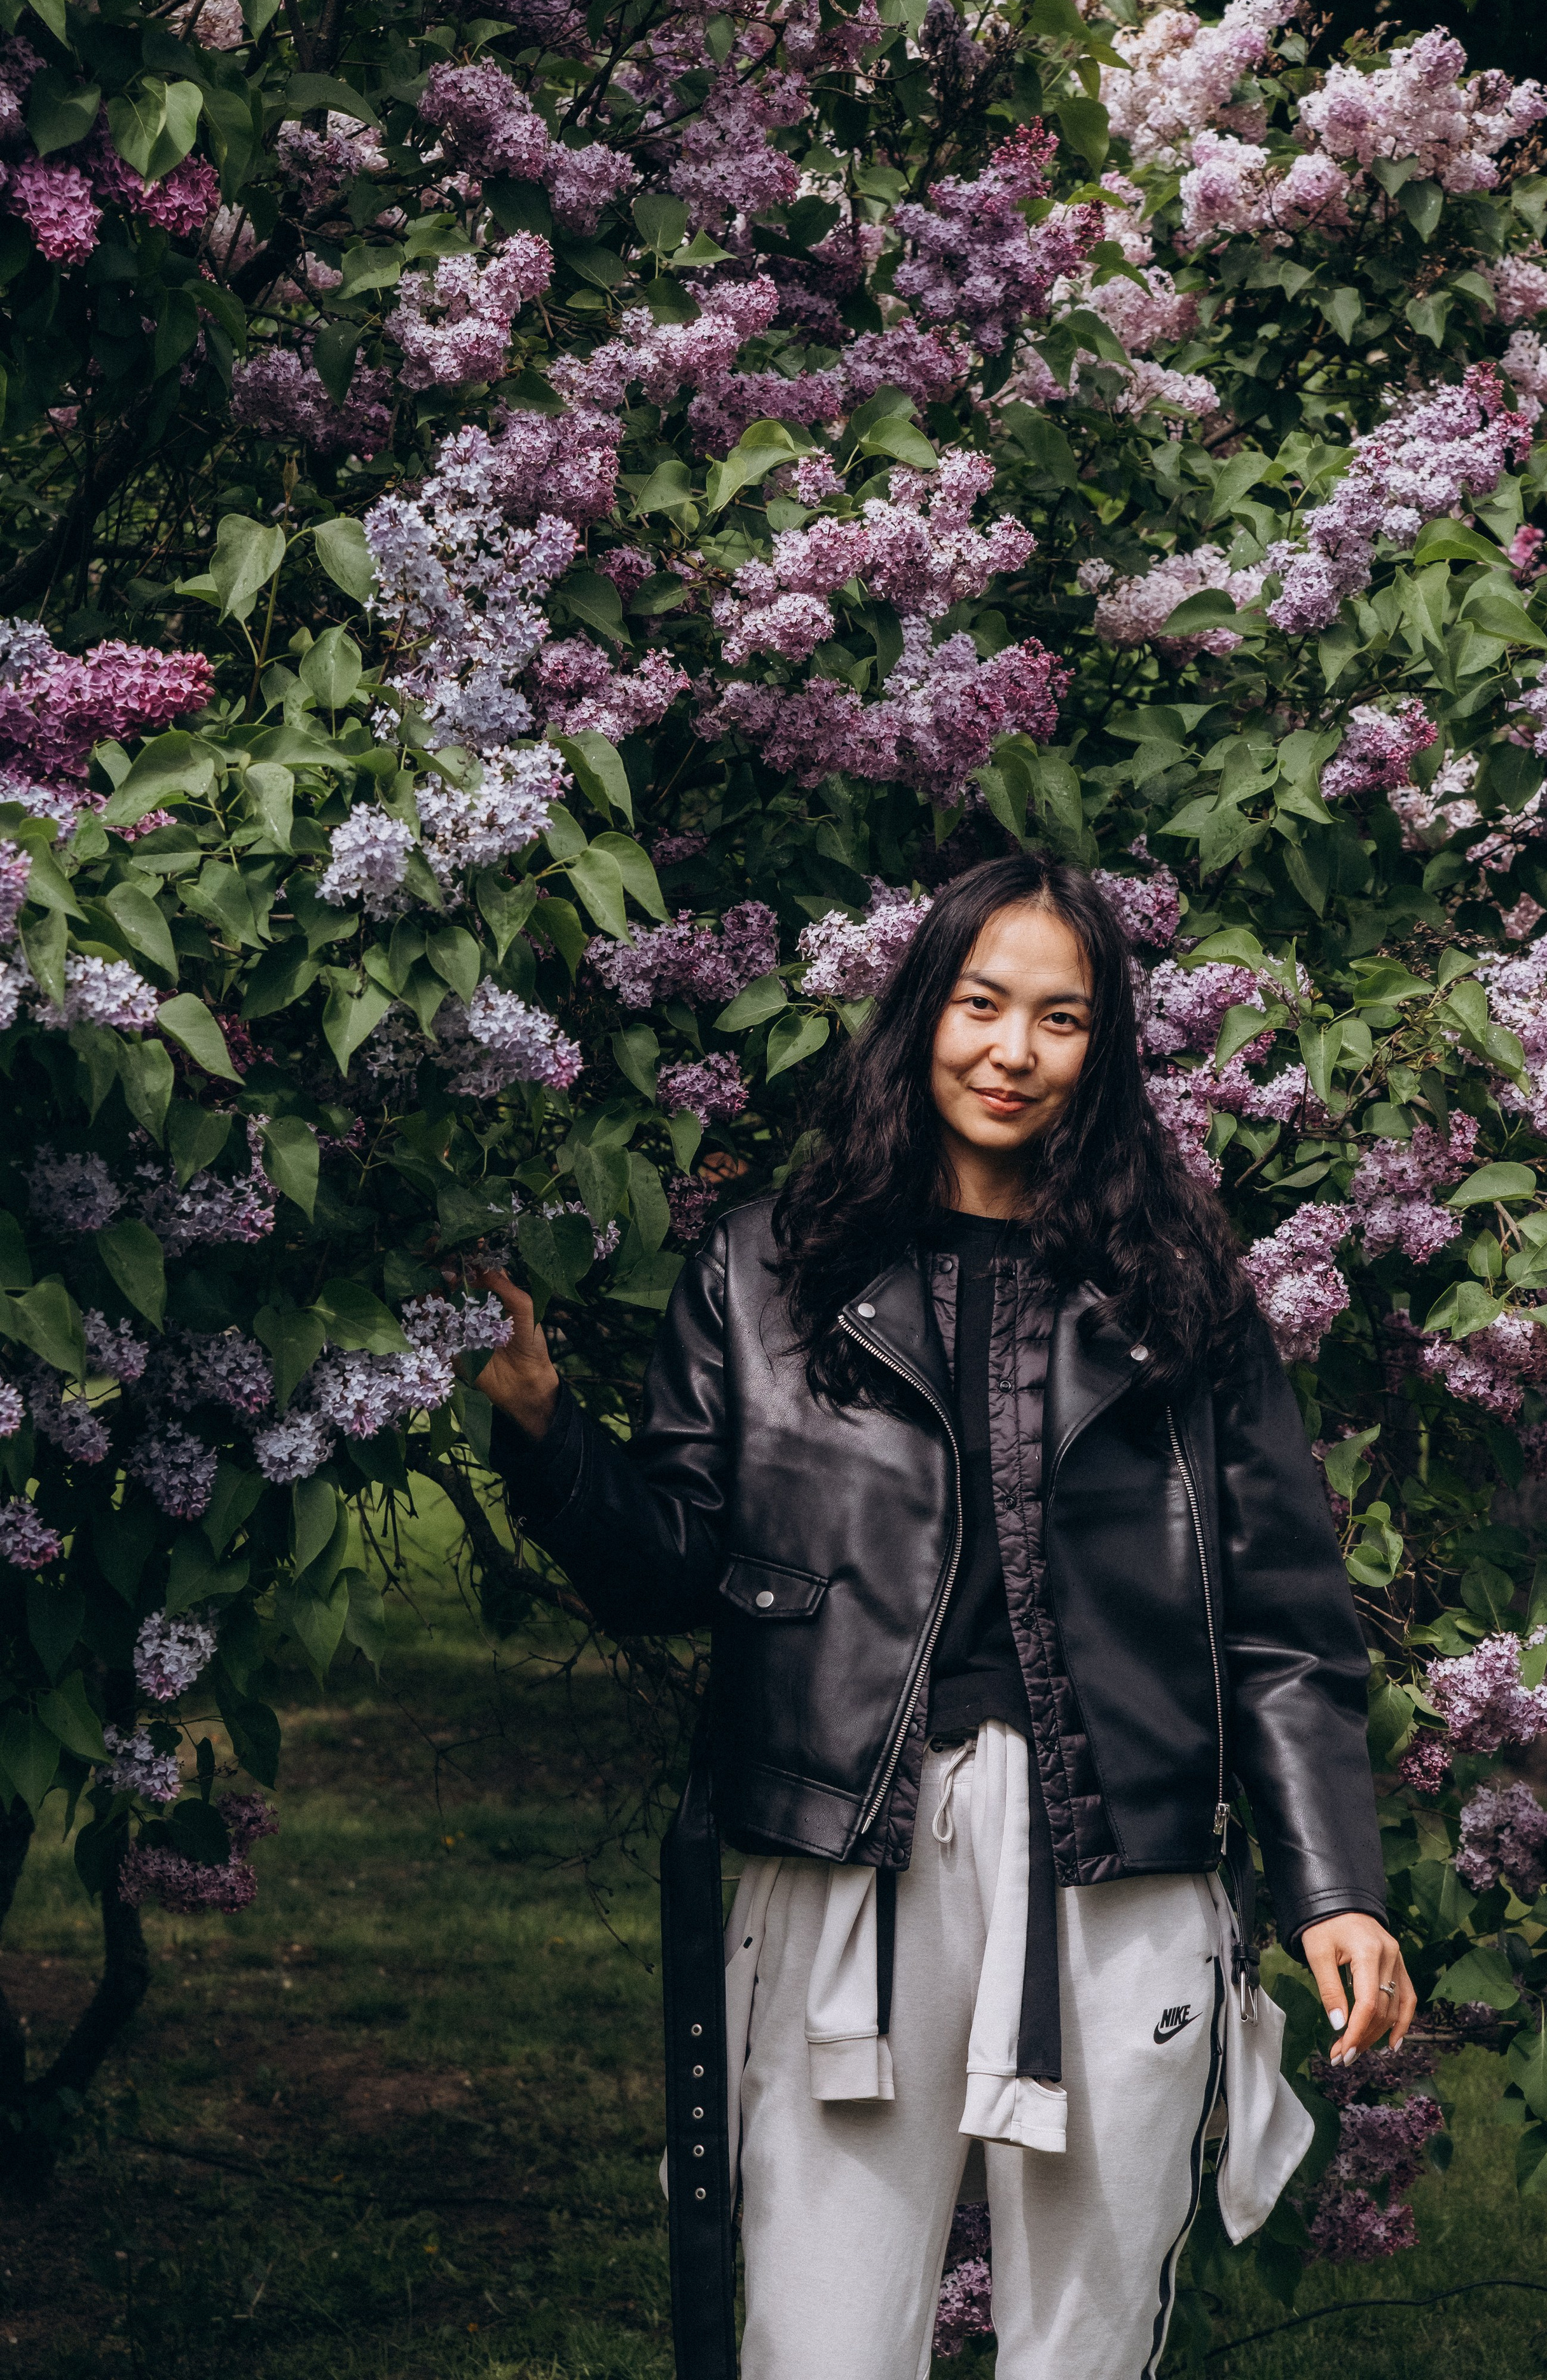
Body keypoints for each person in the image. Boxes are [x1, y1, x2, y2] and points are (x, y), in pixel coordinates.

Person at [472, 851, 1412, 2380]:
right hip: (850, 1846)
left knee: (1081, 2349)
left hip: (1117, 1854)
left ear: (1102, 1048)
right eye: (981, 1004)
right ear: (922, 1013)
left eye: (1060, 1019)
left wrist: (1334, 1889)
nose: (1010, 1051)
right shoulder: (763, 1267)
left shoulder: (1178, 1289)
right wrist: (539, 1424)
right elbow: (667, 1570)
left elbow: (1282, 1621)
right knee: (817, 2342)